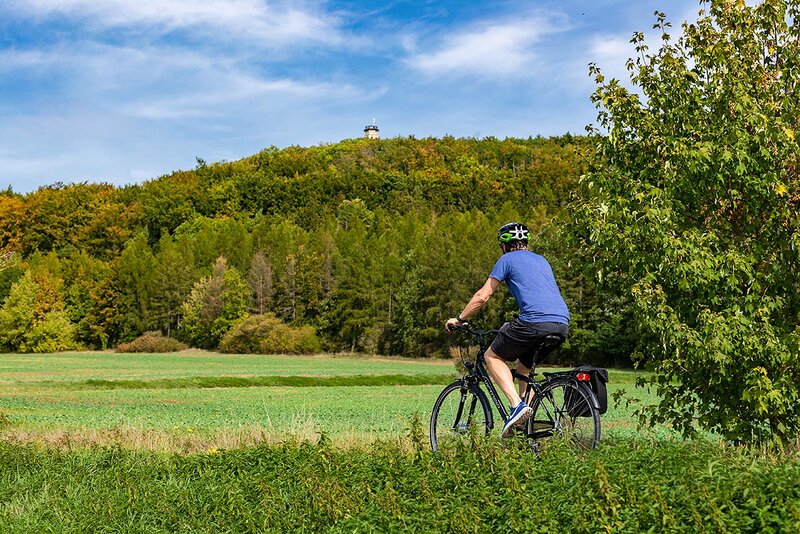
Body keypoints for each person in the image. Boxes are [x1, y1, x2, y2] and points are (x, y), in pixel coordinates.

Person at [445, 222, 570, 437]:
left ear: (504, 245)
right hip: (561, 323)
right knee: (523, 369)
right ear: (526, 242)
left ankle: (516, 406)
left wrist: (459, 318)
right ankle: (525, 423)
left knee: (490, 356)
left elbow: (482, 296)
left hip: (533, 321)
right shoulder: (542, 260)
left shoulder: (506, 260)